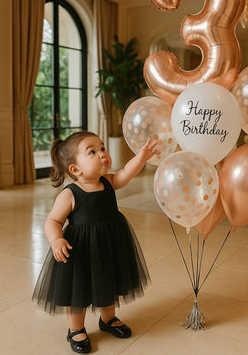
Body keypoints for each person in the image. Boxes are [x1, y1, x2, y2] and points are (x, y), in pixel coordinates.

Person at [32, 131, 158, 354]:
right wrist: (56, 239)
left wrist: (142, 157)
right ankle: (76, 329)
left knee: (107, 281)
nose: (102, 154)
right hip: (81, 250)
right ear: (75, 169)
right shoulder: (70, 194)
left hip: (109, 244)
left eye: (102, 148)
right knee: (78, 291)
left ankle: (108, 319)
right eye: (92, 151)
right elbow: (53, 220)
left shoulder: (108, 182)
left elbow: (127, 172)